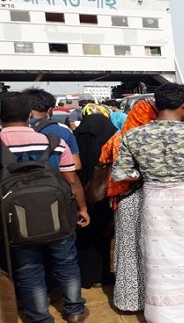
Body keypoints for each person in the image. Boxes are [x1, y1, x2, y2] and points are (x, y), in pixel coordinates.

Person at [112, 83, 184, 323]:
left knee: (157, 261)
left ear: (155, 105)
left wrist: (147, 175)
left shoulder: (133, 135)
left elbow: (120, 175)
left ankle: (161, 315)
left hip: (154, 204)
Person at [0, 92, 91, 323]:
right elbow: (72, 180)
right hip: (58, 215)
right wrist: (82, 208)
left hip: (16, 221)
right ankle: (75, 311)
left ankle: (40, 317)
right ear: (29, 114)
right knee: (66, 262)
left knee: (29, 269)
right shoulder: (55, 142)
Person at [99, 99, 158, 312]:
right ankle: (147, 299)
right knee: (149, 249)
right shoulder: (145, 139)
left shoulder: (118, 137)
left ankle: (127, 300)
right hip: (145, 198)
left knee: (127, 247)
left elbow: (106, 160)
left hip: (123, 199)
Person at [73, 109, 118, 288]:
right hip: (103, 197)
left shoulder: (74, 140)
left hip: (79, 198)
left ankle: (85, 277)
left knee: (82, 237)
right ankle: (103, 275)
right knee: (103, 237)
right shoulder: (111, 142)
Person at [23, 88, 82, 170]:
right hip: (54, 180)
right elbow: (76, 165)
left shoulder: (10, 131)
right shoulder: (64, 131)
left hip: (17, 181)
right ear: (50, 110)